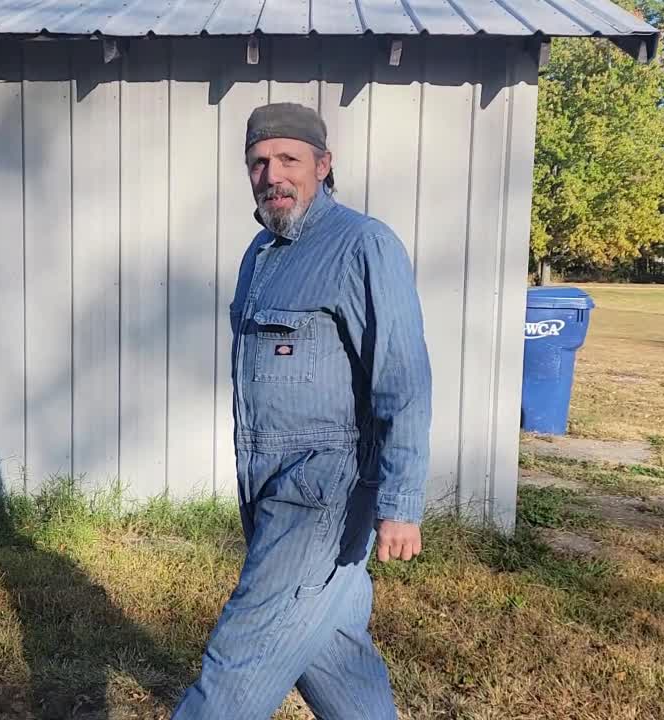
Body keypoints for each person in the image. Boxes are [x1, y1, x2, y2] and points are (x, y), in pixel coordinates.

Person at [171, 102, 433, 719]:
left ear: (323, 164)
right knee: (335, 654)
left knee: (238, 664)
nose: (272, 175)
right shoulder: (261, 253)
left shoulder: (363, 245)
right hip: (268, 488)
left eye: (288, 159)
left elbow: (403, 380)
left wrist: (401, 505)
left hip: (324, 493)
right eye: (258, 162)